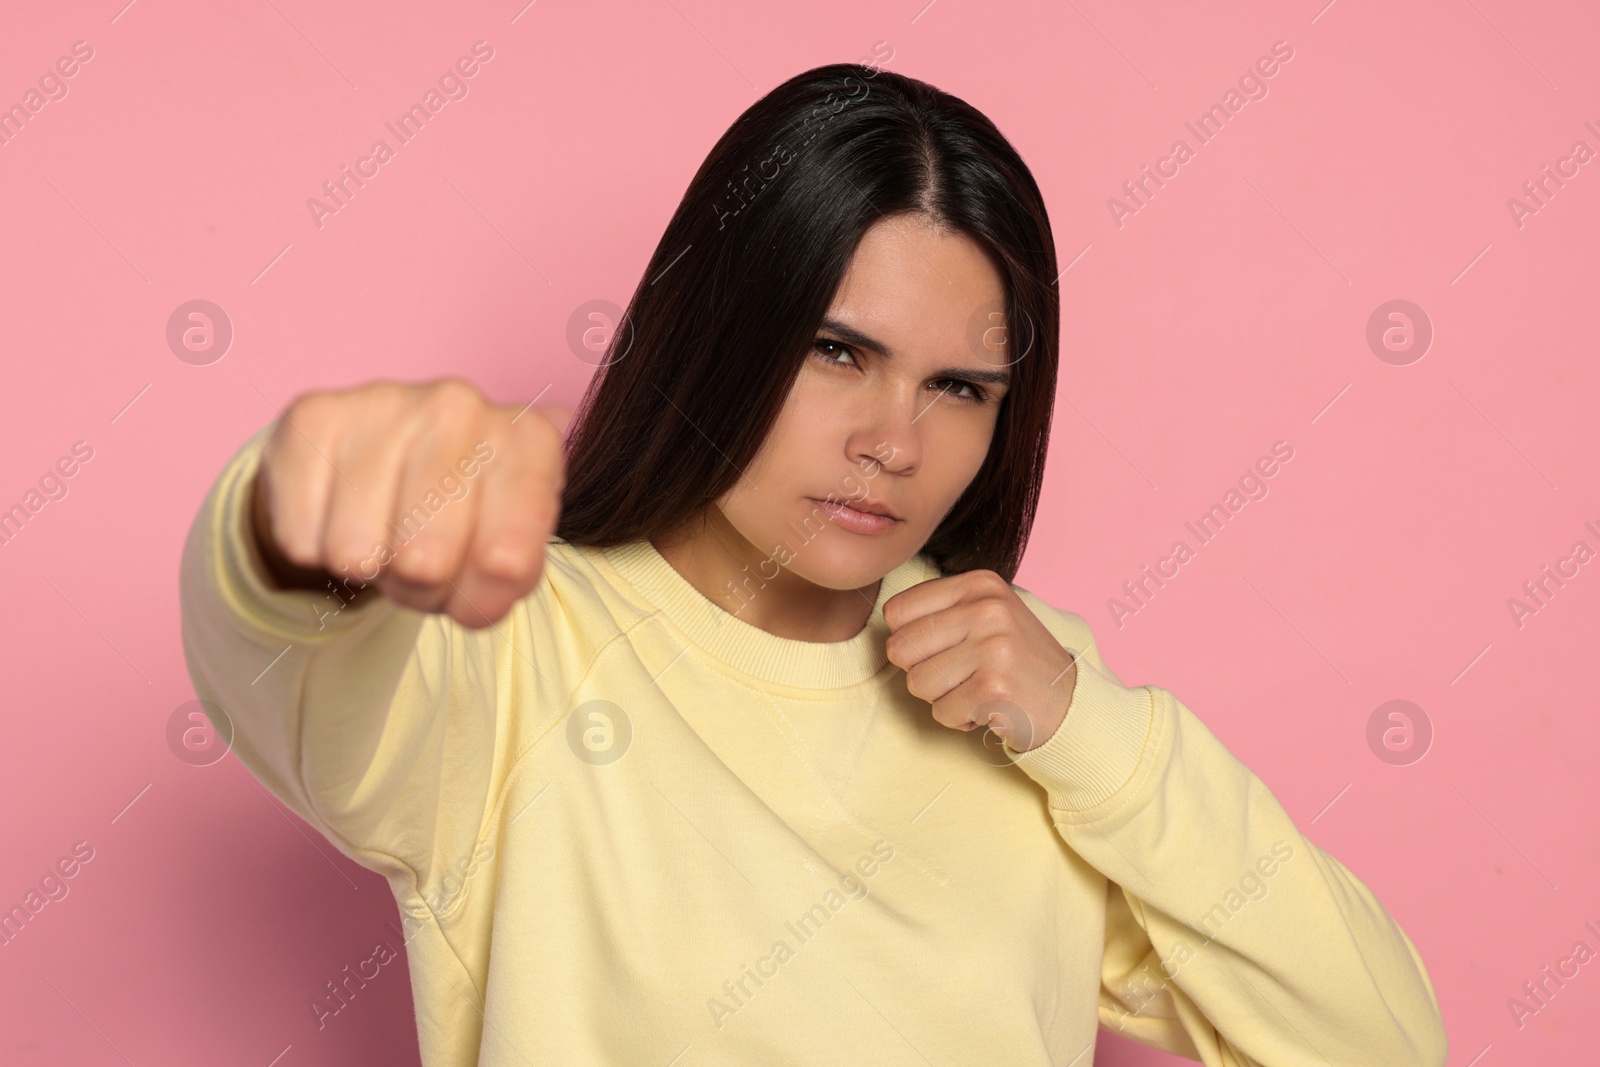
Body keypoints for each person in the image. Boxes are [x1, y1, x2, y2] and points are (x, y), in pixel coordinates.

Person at [179, 62, 1448, 1066]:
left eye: (958, 386)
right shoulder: (518, 651)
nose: (894, 442)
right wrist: (302, 517)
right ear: (715, 329)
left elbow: (1379, 1041)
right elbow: (287, 650)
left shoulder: (1027, 708)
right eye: (836, 350)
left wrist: (1090, 729)